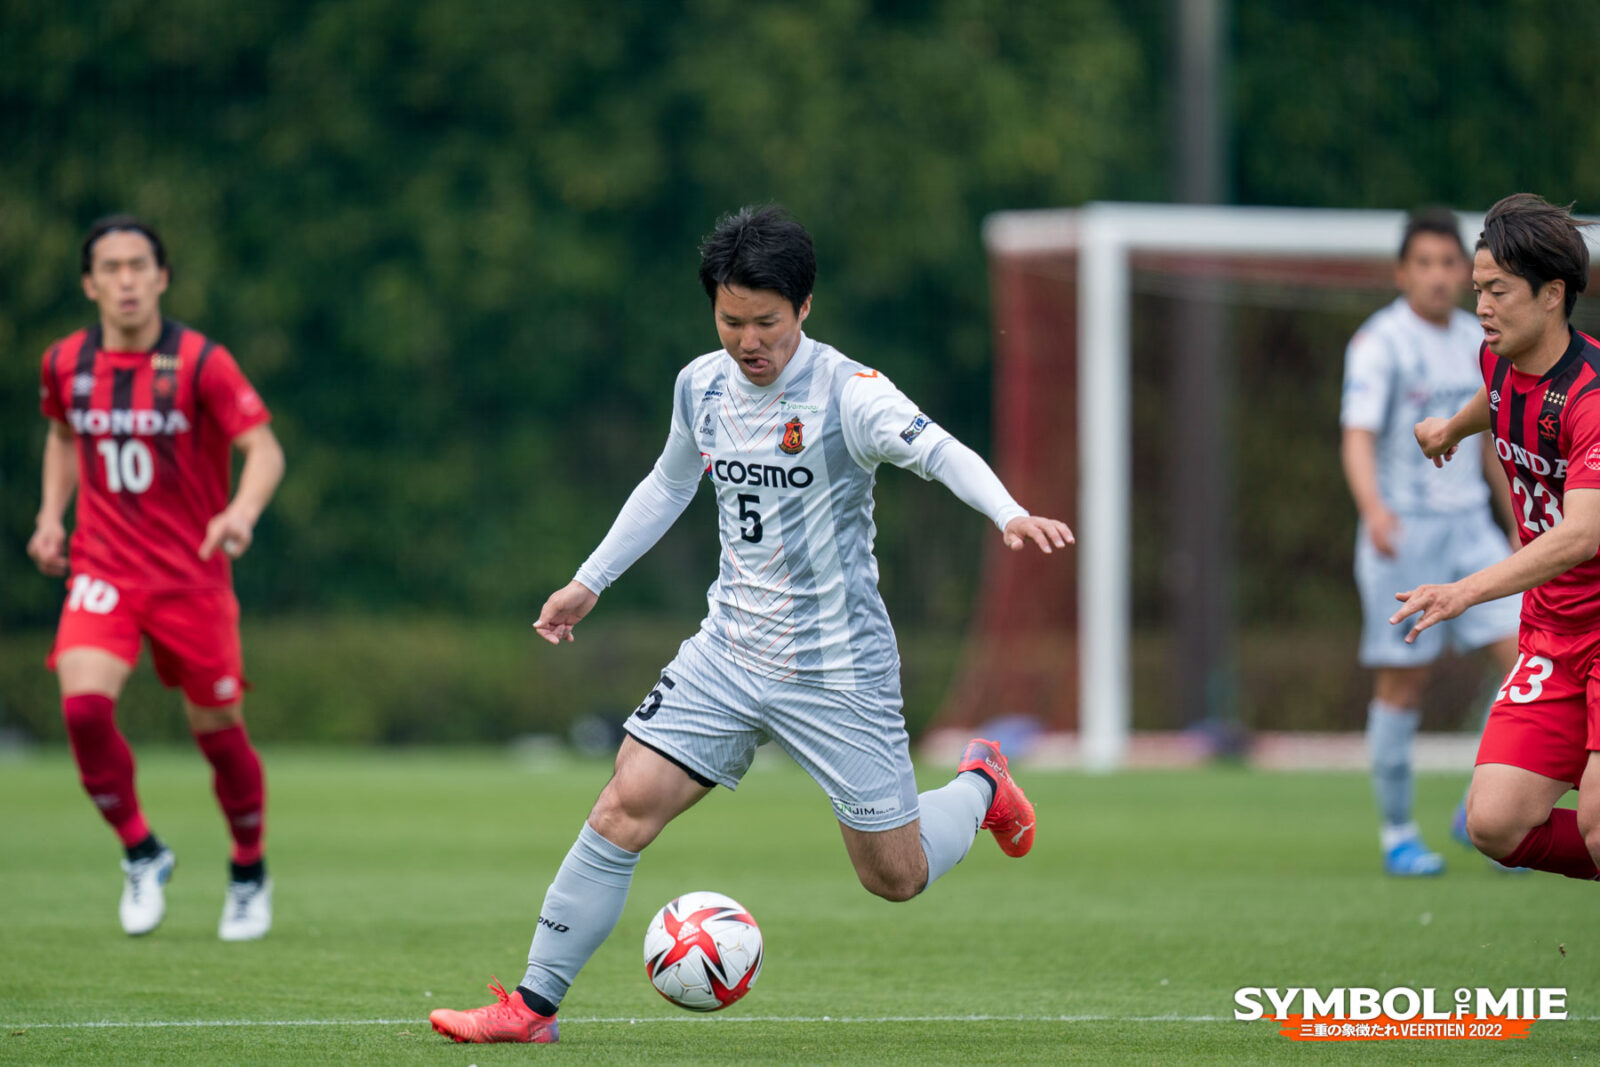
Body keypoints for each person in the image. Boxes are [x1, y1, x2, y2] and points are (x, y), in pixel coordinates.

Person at [429, 206, 1073, 1044]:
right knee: (623, 805)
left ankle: (982, 781)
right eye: (731, 320)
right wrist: (590, 580)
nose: (747, 340)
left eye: (766, 321)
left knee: (895, 874)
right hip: (728, 651)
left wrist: (1008, 511)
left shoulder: (851, 394)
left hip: (837, 668)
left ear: (804, 307)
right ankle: (531, 1006)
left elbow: (940, 449)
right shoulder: (700, 386)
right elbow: (668, 484)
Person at [28, 215, 285, 939]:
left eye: (139, 265)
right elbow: (62, 435)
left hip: (191, 578)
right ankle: (142, 851)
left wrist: (240, 511)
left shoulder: (201, 361)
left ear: (162, 276)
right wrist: (50, 515)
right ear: (90, 284)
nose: (127, 280)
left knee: (220, 733)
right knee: (83, 709)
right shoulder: (65, 363)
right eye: (110, 268)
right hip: (104, 569)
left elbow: (264, 449)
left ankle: (248, 869)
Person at [1396, 192, 1600, 882]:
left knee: (1598, 825)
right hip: (1553, 634)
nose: (1480, 306)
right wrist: (1448, 429)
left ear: (1552, 295)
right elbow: (1498, 399)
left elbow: (1581, 536)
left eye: (1498, 291)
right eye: (1479, 289)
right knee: (1494, 822)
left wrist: (1465, 591)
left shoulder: (1592, 399)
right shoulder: (1498, 361)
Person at [1339, 208, 1521, 876]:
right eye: (1425, 263)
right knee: (1403, 684)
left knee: (1530, 664)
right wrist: (1374, 510)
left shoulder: (1481, 338)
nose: (1440, 276)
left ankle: (1482, 811)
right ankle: (1398, 834)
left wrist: (1515, 518)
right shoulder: (1379, 342)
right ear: (1402, 273)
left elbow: (1492, 441)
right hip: (1404, 532)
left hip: (1473, 530)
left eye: (1450, 264)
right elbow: (1357, 435)